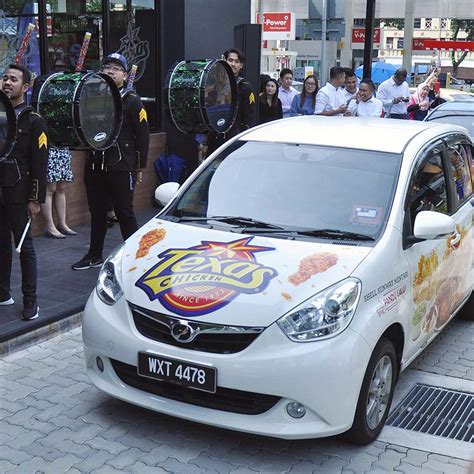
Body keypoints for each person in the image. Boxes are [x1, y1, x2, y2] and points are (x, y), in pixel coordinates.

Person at [72, 53, 149, 270]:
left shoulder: (133, 101)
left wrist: (139, 167)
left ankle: (135, 258)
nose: (110, 71)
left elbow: (142, 136)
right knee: (97, 212)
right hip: (95, 162)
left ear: (125, 75)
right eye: (106, 67)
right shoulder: (93, 96)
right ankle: (94, 254)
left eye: (116, 68)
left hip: (121, 164)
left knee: (124, 212)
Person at [0, 64, 48, 320]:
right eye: (5, 78)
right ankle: (3, 293)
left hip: (19, 190)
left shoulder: (34, 120)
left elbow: (40, 163)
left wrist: (35, 198)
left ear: (26, 87)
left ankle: (31, 300)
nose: (7, 83)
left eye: (14, 80)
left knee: (24, 247)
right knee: (1, 244)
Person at [206, 48, 256, 154]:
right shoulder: (213, 85)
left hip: (234, 138)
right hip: (214, 137)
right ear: (224, 61)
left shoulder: (245, 87)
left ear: (241, 65)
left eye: (237, 61)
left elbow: (249, 117)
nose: (233, 64)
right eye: (230, 60)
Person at [41, 147, 76, 238]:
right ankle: (49, 226)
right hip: (49, 148)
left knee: (61, 188)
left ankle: (62, 224)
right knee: (50, 188)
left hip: (63, 147)